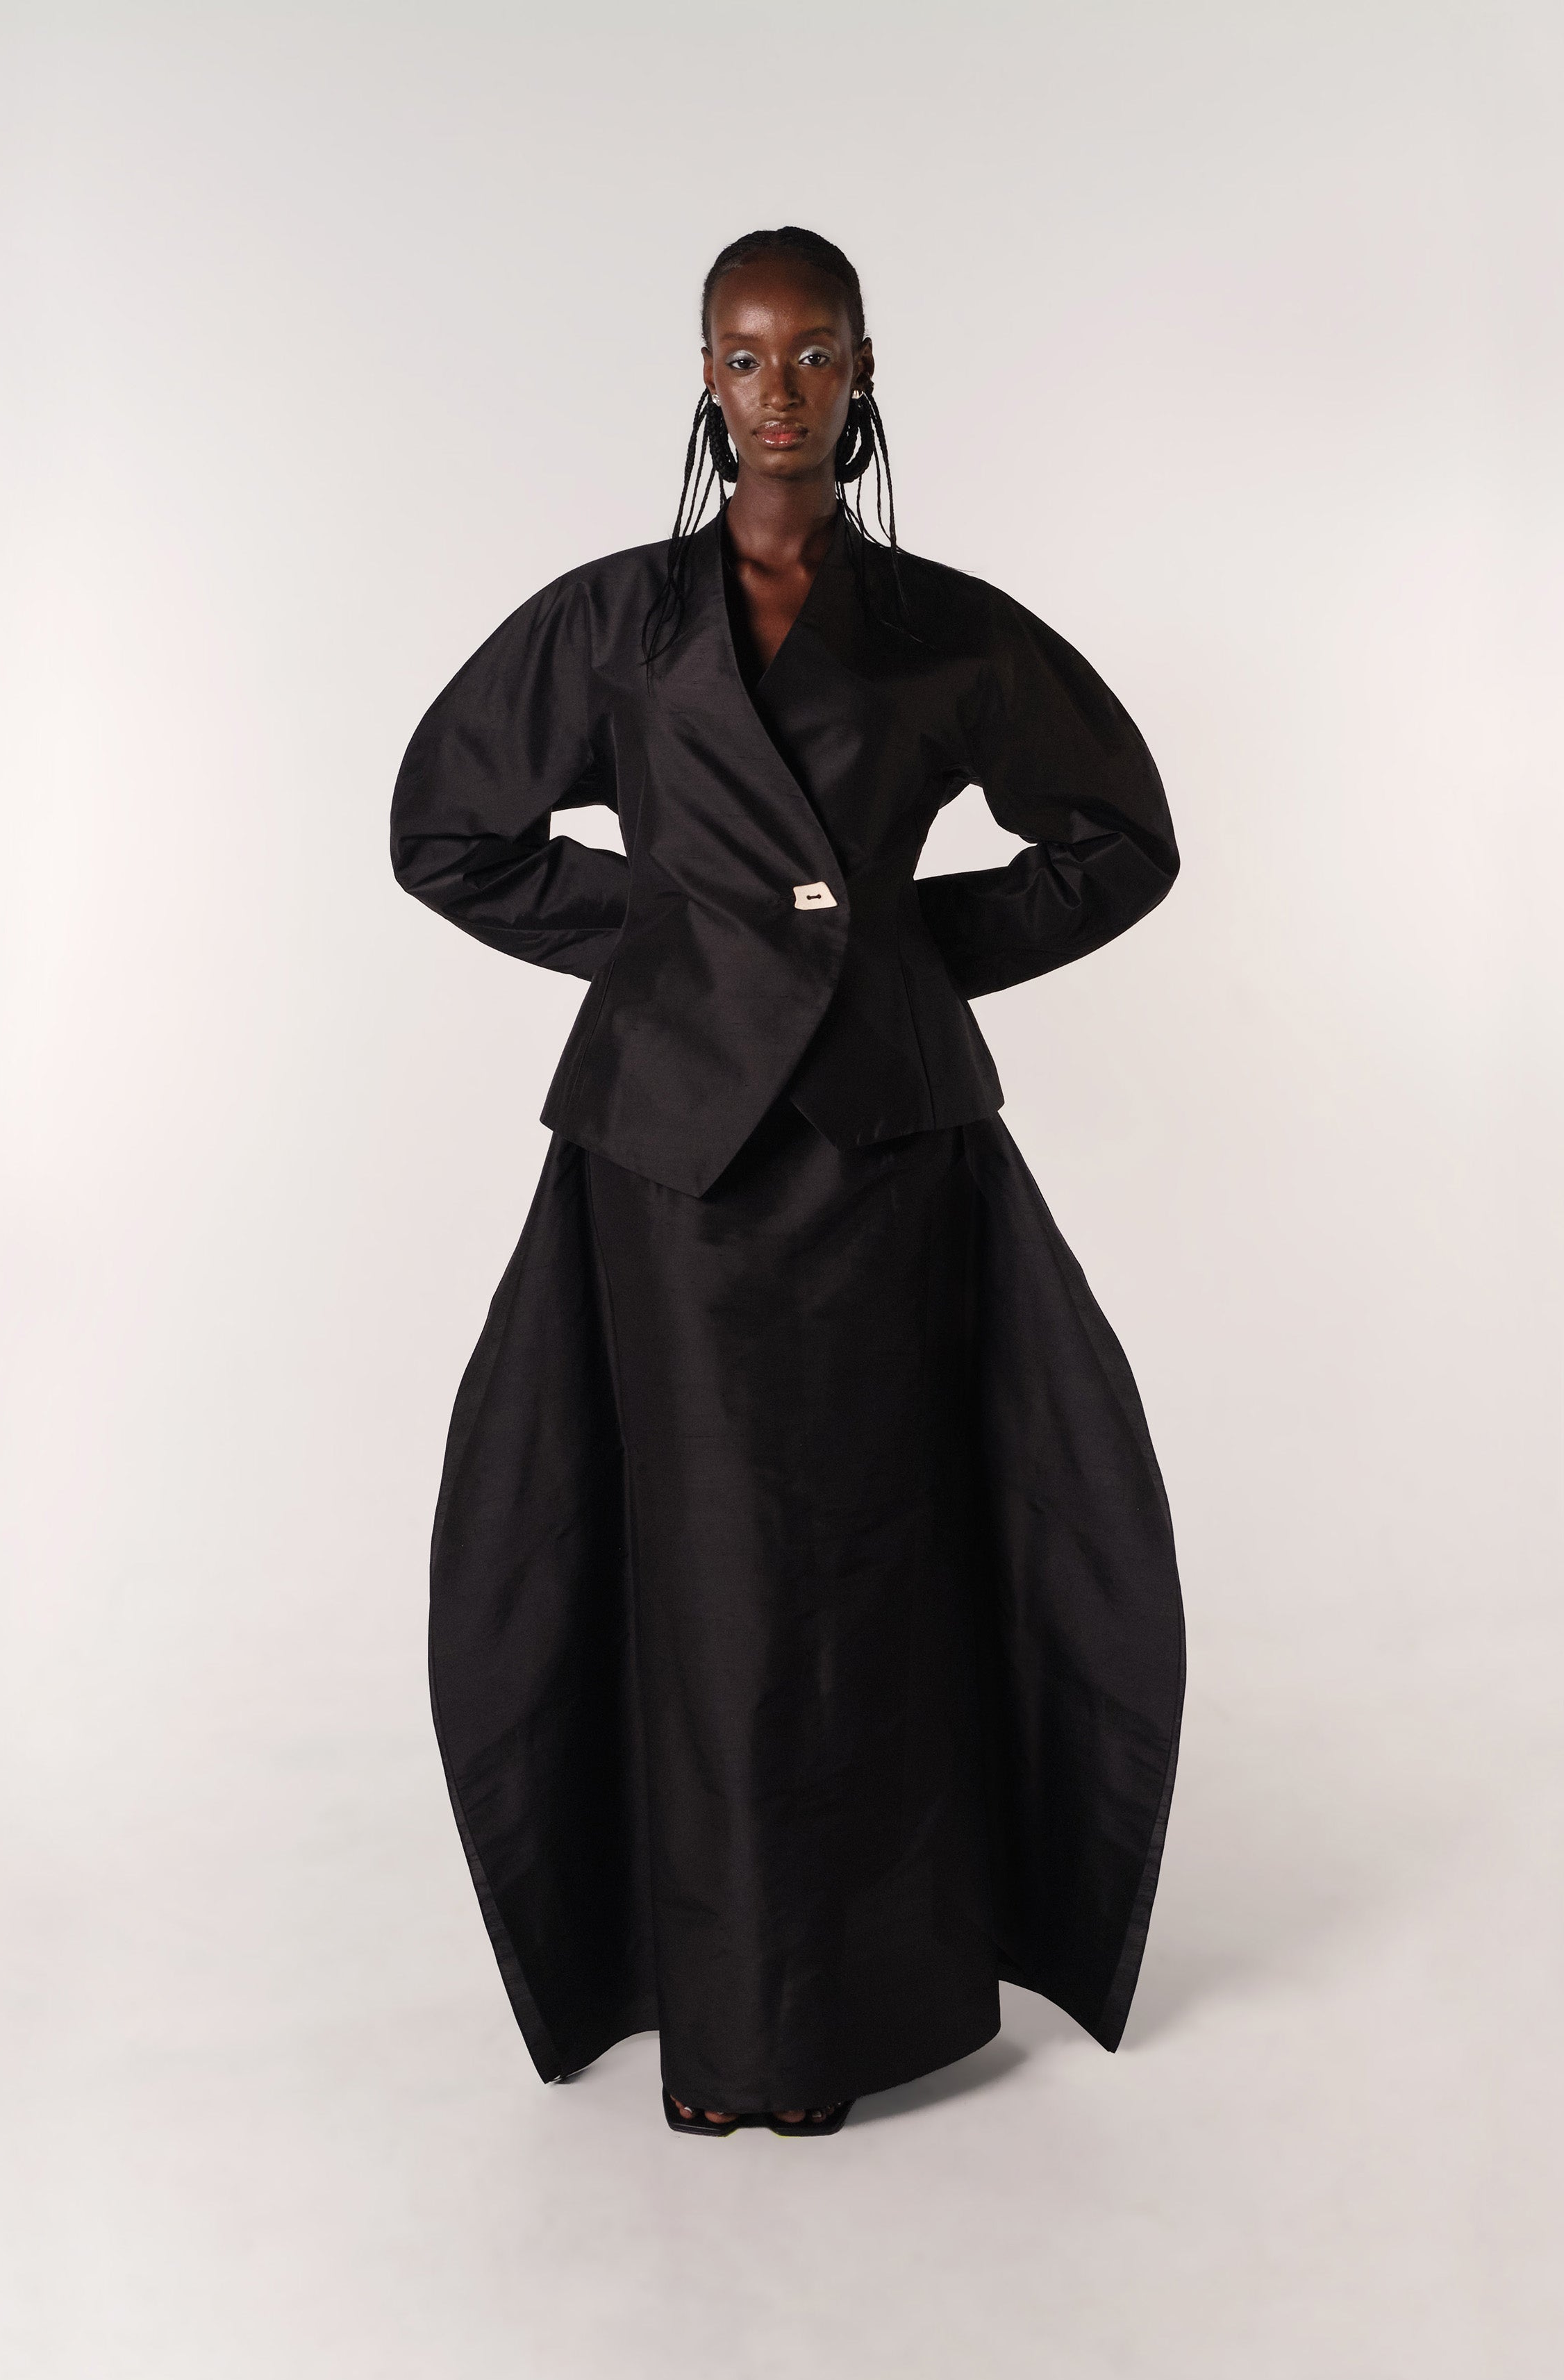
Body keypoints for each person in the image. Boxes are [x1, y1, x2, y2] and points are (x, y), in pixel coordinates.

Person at [390, 227, 1185, 2138]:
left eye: (813, 354)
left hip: (884, 1150)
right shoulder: (614, 622)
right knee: (707, 1572)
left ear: (862, 372)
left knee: (877, 1566)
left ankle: (864, 2005)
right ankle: (726, 2015)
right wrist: (689, 951)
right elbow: (448, 831)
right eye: (744, 357)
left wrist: (889, 962)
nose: (779, 392)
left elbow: (1120, 837)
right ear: (703, 377)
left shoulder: (938, 627)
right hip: (675, 1157)